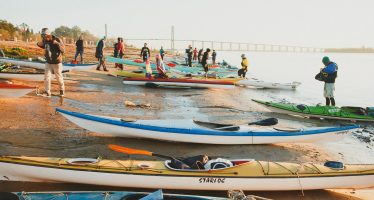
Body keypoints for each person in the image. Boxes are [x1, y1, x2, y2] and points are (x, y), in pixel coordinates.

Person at [36, 28, 65, 97]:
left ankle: (62, 90)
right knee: (46, 77)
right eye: (42, 35)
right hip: (48, 62)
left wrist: (57, 43)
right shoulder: (45, 40)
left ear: (49, 35)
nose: (44, 37)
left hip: (57, 62)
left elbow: (63, 50)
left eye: (45, 35)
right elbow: (42, 45)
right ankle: (47, 92)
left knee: (58, 77)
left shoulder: (57, 40)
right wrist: (38, 43)